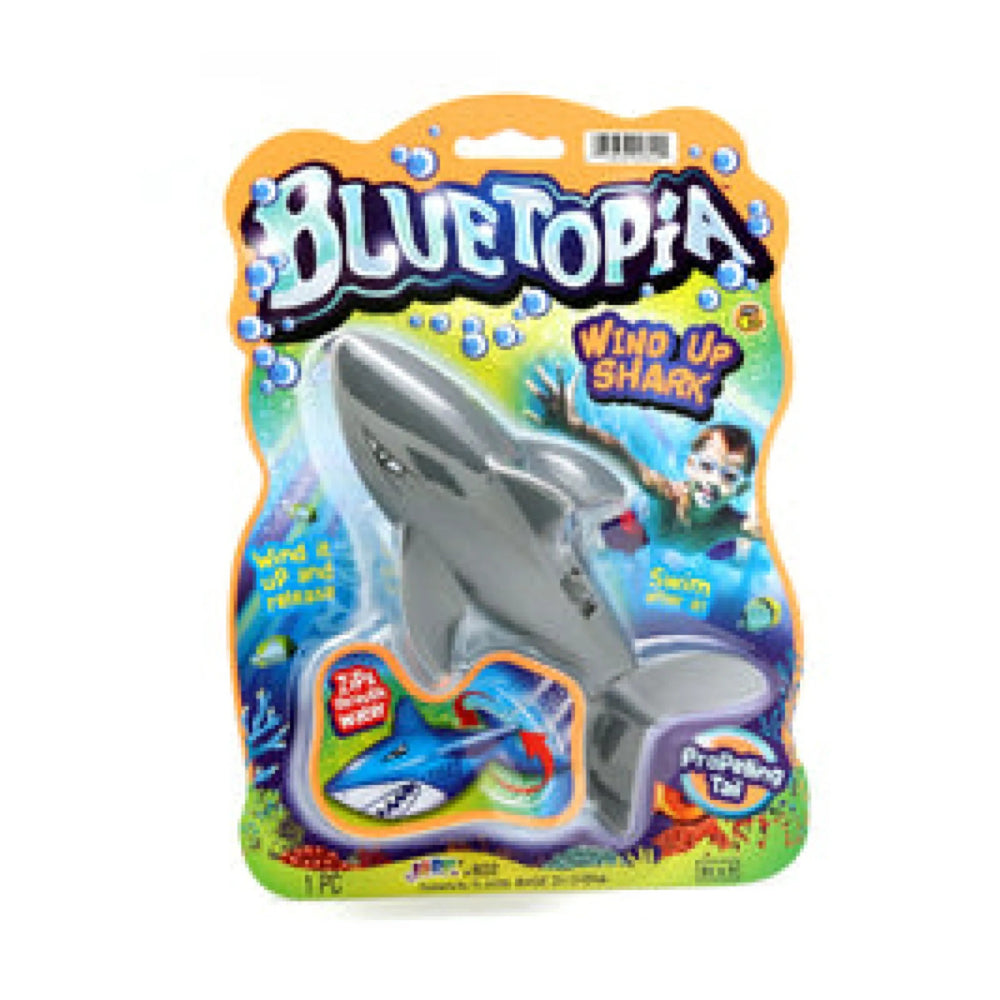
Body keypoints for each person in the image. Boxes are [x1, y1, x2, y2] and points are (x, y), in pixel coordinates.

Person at [527, 365, 761, 552]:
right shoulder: (665, 495)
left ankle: (744, 535)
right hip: (640, 531)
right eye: (707, 466)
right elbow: (621, 453)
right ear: (690, 465)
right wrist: (575, 428)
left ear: (741, 490)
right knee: (589, 546)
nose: (713, 480)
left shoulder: (731, 524)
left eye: (730, 477)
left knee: (738, 557)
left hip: (708, 545)